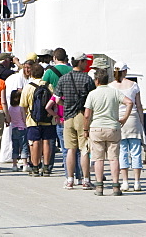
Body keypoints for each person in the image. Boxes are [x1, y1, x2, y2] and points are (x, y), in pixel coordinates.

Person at [83, 67, 133, 196]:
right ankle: (116, 186)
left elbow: (87, 114)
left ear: (97, 80)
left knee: (98, 159)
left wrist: (85, 129)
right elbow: (129, 102)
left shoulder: (92, 94)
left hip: (96, 128)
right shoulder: (114, 92)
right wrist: (124, 118)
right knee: (114, 158)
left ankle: (99, 187)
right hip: (113, 127)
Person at [50, 52, 95, 189]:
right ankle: (86, 180)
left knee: (70, 149)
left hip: (68, 117)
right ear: (80, 62)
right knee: (84, 149)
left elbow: (57, 100)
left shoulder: (63, 79)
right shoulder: (87, 79)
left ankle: (70, 179)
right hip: (82, 115)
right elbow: (92, 100)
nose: (87, 63)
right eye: (85, 61)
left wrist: (66, 105)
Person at [110, 62, 144, 192]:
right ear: (125, 71)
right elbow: (139, 105)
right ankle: (137, 182)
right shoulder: (134, 85)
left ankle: (125, 182)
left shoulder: (111, 87)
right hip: (133, 118)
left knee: (122, 152)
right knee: (136, 152)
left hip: (118, 119)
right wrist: (142, 122)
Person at [20, 62, 56, 176]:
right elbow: (54, 102)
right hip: (48, 119)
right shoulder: (49, 86)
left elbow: (23, 106)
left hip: (33, 119)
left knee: (35, 142)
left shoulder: (28, 87)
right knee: (47, 142)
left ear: (31, 73)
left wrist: (25, 119)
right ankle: (46, 167)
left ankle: (35, 166)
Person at [8, 88, 28, 172]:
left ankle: (14, 165)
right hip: (22, 128)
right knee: (23, 146)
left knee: (15, 146)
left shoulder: (10, 108)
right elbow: (24, 118)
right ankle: (25, 164)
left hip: (14, 128)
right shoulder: (21, 107)